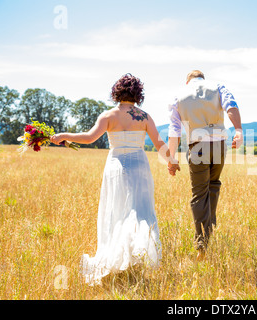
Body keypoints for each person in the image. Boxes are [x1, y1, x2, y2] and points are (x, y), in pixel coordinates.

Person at [51, 73, 180, 285]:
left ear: (116, 92)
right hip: (139, 165)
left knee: (117, 211)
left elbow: (90, 137)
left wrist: (65, 135)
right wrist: (172, 162)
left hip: (116, 166)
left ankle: (119, 259)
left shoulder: (108, 115)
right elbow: (159, 144)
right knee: (140, 210)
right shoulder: (144, 117)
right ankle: (136, 256)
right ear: (138, 94)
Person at [167, 70, 243, 261]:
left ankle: (202, 246)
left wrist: (172, 157)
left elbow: (174, 129)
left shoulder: (178, 96)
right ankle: (210, 229)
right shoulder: (218, 87)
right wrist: (239, 130)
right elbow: (231, 106)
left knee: (199, 194)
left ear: (187, 82)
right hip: (219, 145)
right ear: (203, 79)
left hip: (198, 146)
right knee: (214, 185)